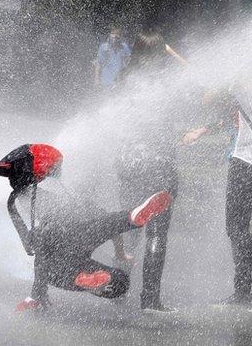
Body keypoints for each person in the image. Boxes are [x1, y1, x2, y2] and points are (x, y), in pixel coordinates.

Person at [0, 144, 173, 311]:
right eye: (54, 168)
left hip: (56, 258)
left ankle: (83, 279)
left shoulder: (16, 202)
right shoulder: (65, 194)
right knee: (122, 281)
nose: (57, 171)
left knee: (59, 270)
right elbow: (103, 221)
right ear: (41, 168)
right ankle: (130, 217)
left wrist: (36, 294)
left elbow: (36, 248)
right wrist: (120, 252)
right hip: (82, 234)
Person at [183, 65, 252, 313]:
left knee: (235, 229)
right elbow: (235, 114)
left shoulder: (241, 73)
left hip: (248, 161)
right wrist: (203, 130)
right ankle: (242, 290)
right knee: (238, 228)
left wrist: (203, 78)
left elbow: (209, 97)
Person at [112, 29, 188, 312]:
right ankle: (150, 299)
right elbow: (197, 78)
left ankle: (115, 289)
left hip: (128, 160)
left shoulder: (123, 79)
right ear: (159, 54)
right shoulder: (166, 83)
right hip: (157, 162)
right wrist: (171, 52)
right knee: (156, 232)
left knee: (130, 227)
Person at [94, 25, 131, 90]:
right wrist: (97, 80)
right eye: (113, 33)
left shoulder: (124, 47)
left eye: (118, 34)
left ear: (120, 36)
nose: (115, 36)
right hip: (106, 81)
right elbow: (98, 65)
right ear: (109, 35)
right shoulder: (104, 47)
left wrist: (128, 77)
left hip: (120, 81)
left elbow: (129, 62)